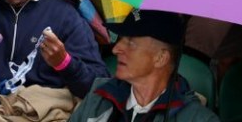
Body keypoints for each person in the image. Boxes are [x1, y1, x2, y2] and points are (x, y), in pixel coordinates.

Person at [70, 11, 217, 122]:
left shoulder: (198, 119)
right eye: (120, 39)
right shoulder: (98, 96)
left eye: (131, 42)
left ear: (160, 58)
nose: (116, 49)